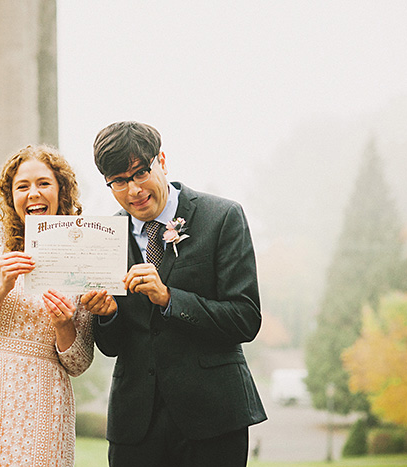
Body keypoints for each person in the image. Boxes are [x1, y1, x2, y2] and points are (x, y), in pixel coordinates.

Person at [81, 121, 267, 467]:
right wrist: (106, 316)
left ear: (161, 161)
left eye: (140, 173)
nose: (133, 189)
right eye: (119, 181)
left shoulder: (222, 216)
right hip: (135, 424)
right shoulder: (104, 236)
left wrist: (169, 298)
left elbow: (245, 318)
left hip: (214, 418)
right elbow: (111, 346)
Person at [0, 145, 94, 467]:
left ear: (61, 190)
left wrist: (63, 323)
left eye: (43, 183)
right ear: (10, 196)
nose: (33, 193)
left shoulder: (81, 253)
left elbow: (79, 363)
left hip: (45, 398)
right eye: (22, 186)